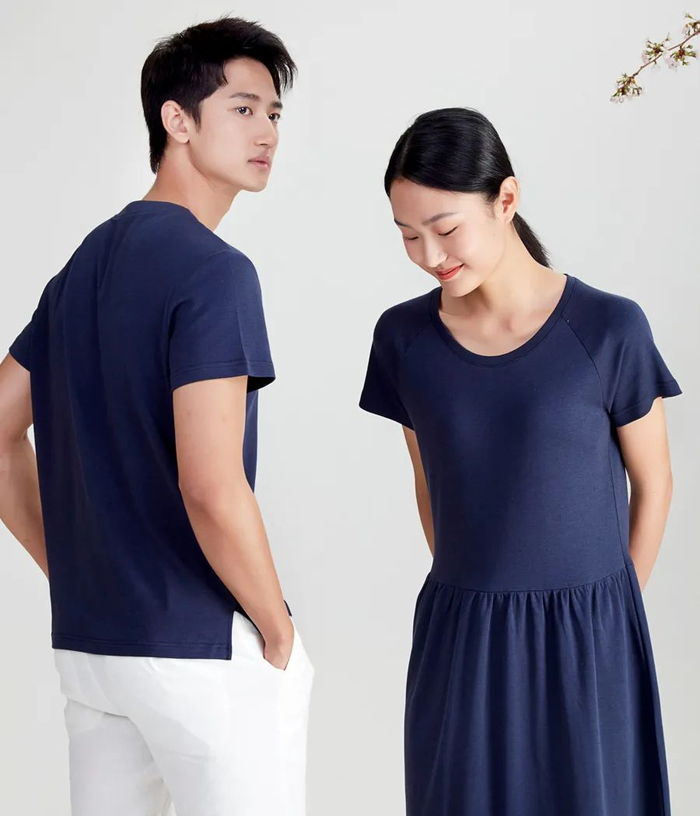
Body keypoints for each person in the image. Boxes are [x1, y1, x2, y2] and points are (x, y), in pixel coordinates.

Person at [0, 16, 313, 816]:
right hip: (198, 647)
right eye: (242, 108)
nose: (267, 132)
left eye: (274, 113)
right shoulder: (215, 273)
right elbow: (211, 485)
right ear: (178, 120)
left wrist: (70, 566)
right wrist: (276, 628)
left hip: (93, 651)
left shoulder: (81, 269)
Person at [359, 107, 681, 815]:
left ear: (505, 199)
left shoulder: (608, 327)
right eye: (408, 235)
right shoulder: (403, 340)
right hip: (462, 636)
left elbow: (654, 484)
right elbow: (429, 482)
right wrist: (482, 595)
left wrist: (610, 611)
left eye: (445, 228)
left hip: (591, 632)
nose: (429, 254)